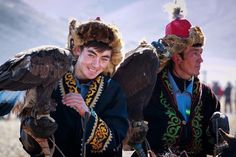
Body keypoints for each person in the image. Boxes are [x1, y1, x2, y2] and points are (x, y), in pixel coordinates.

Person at [19, 18, 129, 157]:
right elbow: (27, 139)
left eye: (104, 58)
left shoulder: (114, 91)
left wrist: (87, 114)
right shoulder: (50, 82)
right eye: (91, 54)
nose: (96, 64)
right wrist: (34, 130)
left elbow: (115, 142)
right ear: (77, 50)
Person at [132, 8, 233, 157]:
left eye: (201, 53)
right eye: (194, 54)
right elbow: (130, 140)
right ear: (177, 58)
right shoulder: (149, 91)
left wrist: (219, 141)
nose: (201, 60)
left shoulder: (207, 96)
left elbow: (211, 148)